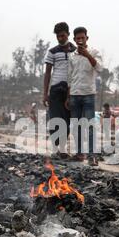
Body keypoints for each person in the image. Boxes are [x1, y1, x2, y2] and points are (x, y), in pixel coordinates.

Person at [66, 27, 103, 166]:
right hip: (75, 94)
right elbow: (69, 77)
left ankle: (92, 156)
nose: (80, 40)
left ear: (87, 38)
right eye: (78, 38)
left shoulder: (94, 52)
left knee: (90, 126)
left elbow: (99, 68)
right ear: (74, 40)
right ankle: (79, 153)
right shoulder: (71, 56)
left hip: (88, 94)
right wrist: (67, 97)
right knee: (76, 126)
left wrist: (87, 54)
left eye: (83, 38)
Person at [43, 22, 77, 158]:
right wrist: (45, 94)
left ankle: (63, 149)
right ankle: (55, 148)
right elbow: (47, 73)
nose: (61, 38)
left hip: (71, 89)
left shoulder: (75, 50)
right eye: (58, 36)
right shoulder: (52, 52)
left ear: (68, 34)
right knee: (55, 119)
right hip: (56, 89)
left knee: (67, 120)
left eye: (63, 35)